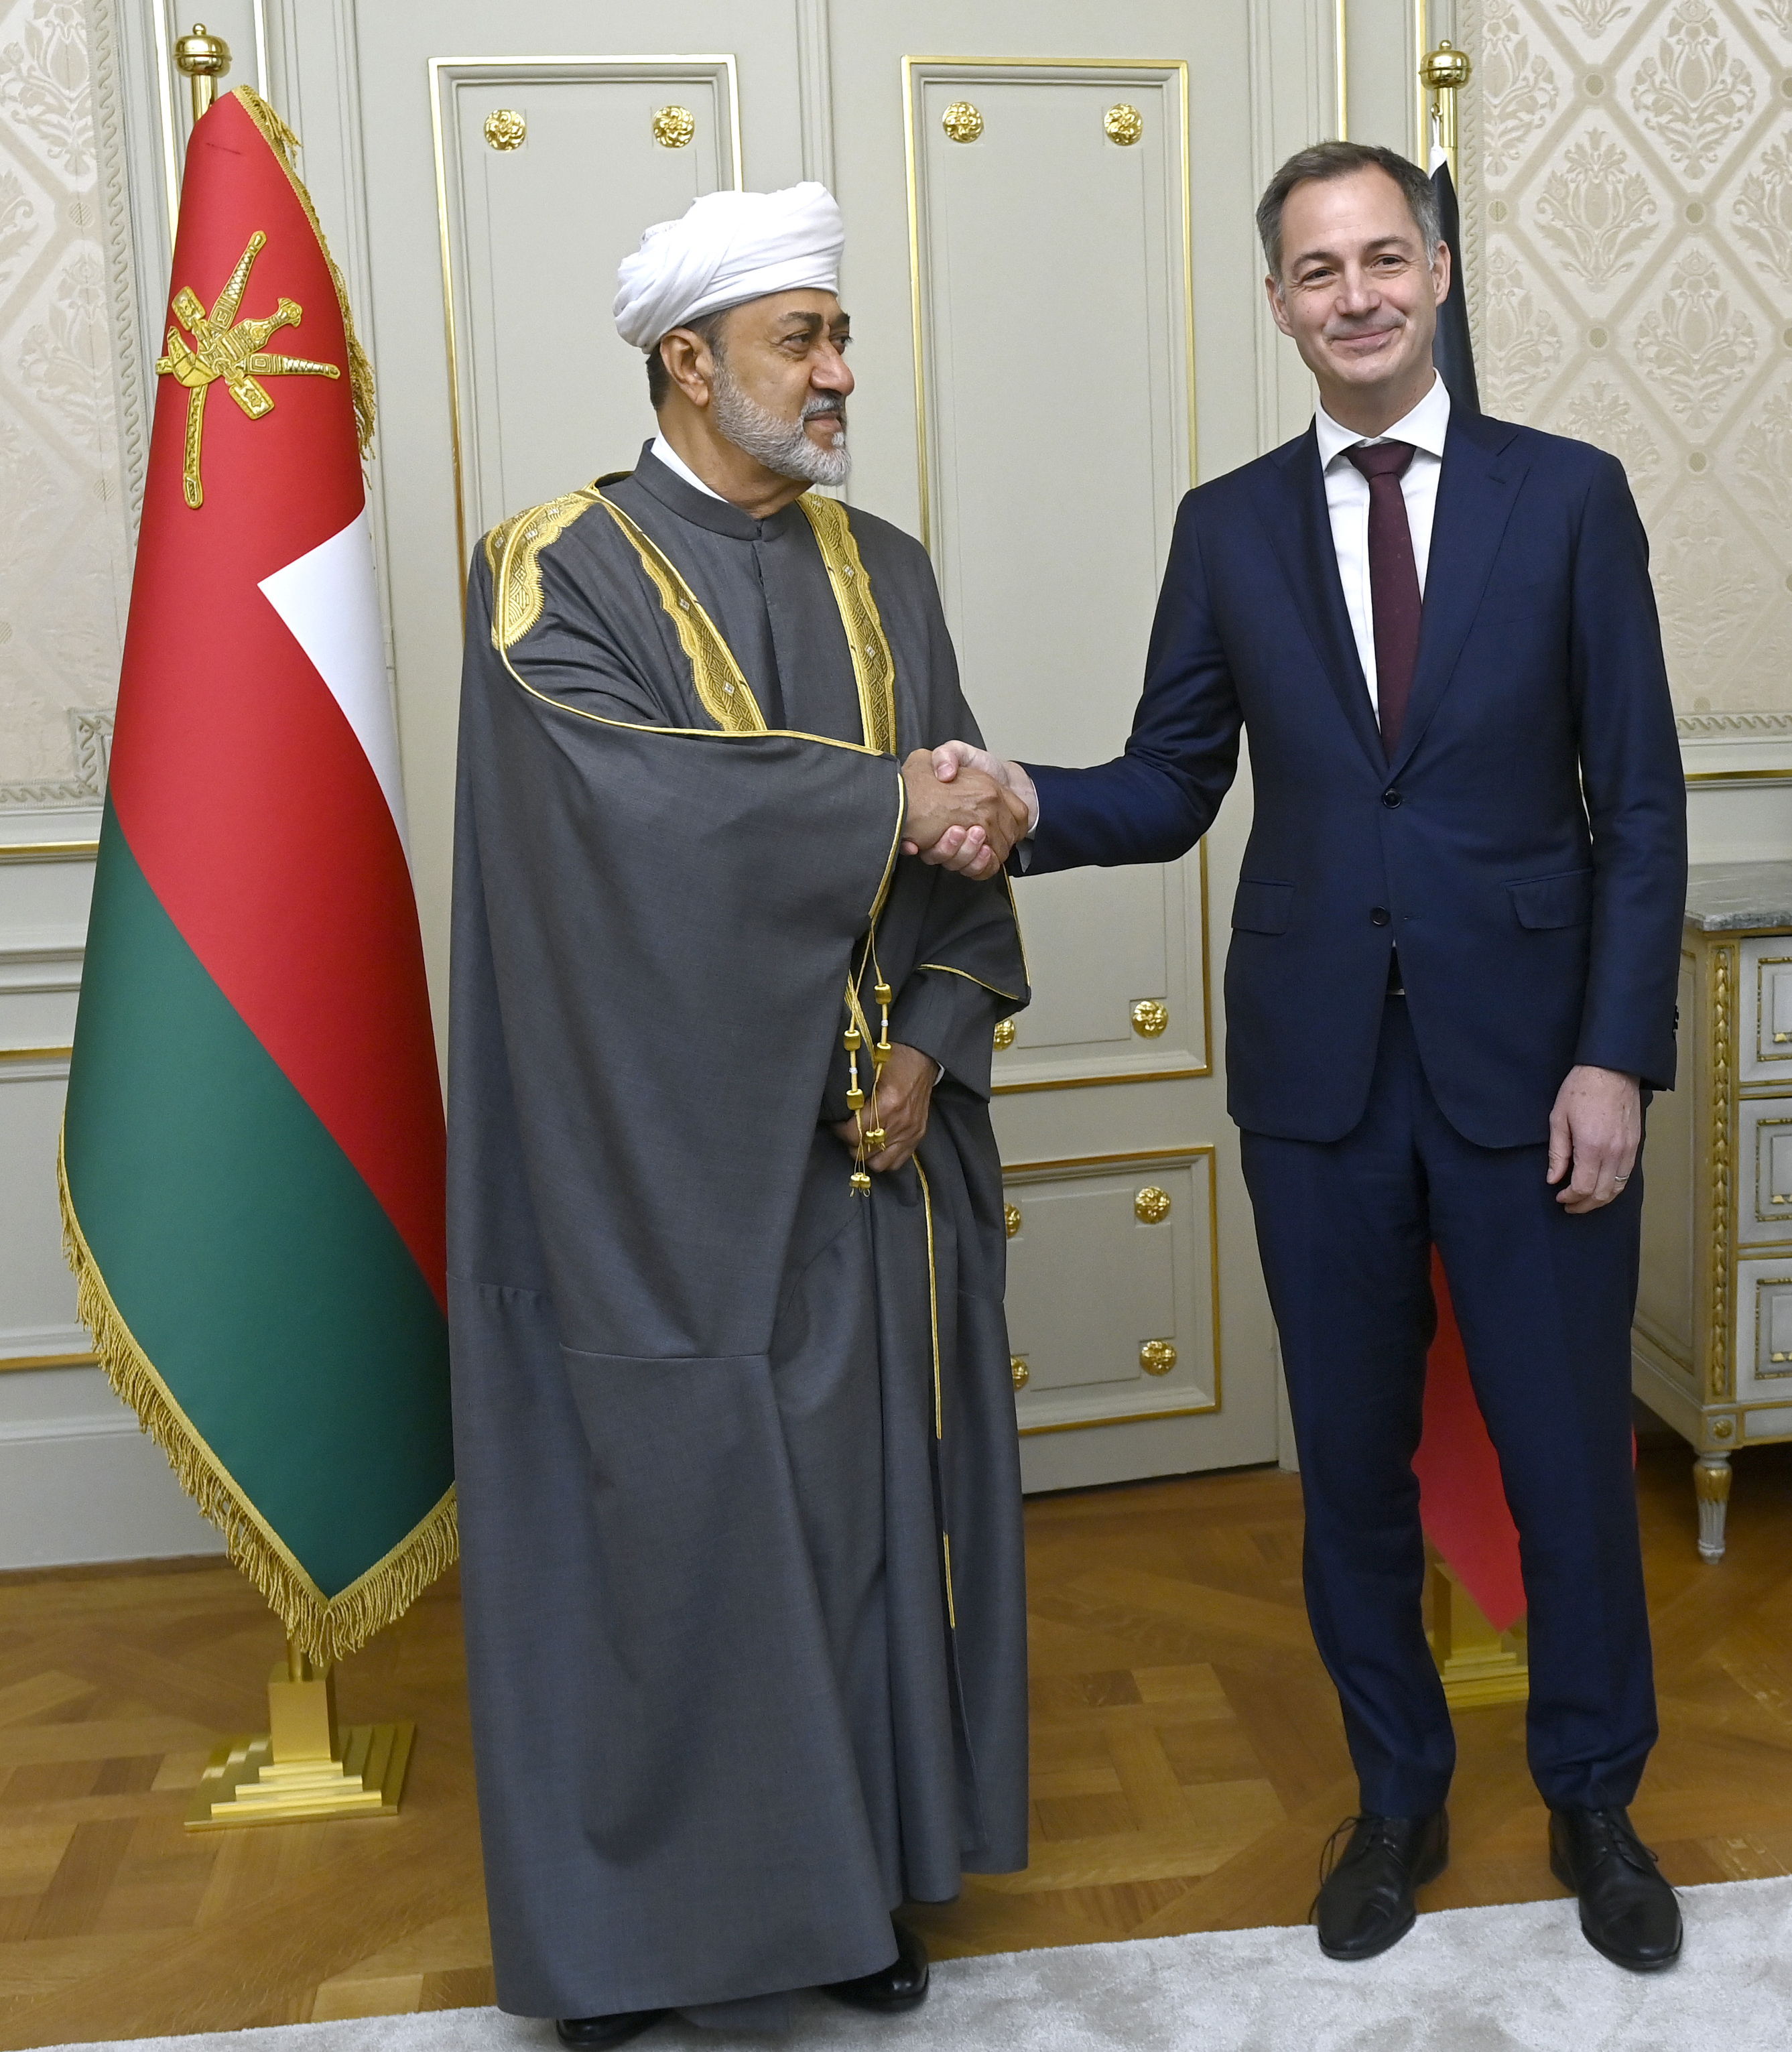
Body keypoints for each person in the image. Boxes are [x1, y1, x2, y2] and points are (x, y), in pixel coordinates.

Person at [923, 141, 1689, 1974]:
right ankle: (1399, 1796)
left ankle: (1596, 1796)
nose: (1354, 294)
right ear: (1277, 302)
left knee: (1567, 1462)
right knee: (1347, 1463)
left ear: (1436, 272)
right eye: (1315, 269)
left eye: (1383, 257)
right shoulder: (1231, 522)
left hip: (1535, 1077)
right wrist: (1028, 798)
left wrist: (1616, 1059)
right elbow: (1177, 777)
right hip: (1320, 1083)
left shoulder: (1570, 499)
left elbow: (1640, 807)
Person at [446, 181, 1034, 2049]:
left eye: (840, 335)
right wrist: (882, 805)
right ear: (689, 361)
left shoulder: (892, 570)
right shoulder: (553, 565)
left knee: (863, 1528)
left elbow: (961, 873)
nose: (841, 373)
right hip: (658, 1175)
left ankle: (846, 1884)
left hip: (878, 1162)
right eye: (806, 340)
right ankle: (640, 1940)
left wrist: (928, 1045)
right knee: (681, 1528)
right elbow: (626, 816)